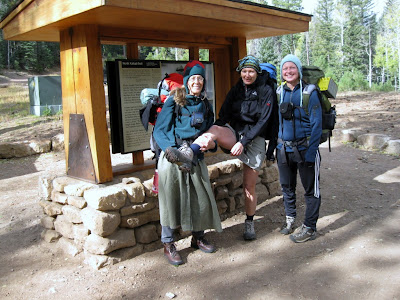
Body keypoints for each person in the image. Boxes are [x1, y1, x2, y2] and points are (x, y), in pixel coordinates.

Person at [165, 55, 277, 241]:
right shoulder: (236, 90)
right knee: (215, 130)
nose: (247, 75)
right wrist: (210, 135)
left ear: (257, 73)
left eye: (251, 72)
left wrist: (245, 142)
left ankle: (249, 221)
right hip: (236, 133)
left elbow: (264, 122)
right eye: (244, 71)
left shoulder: (266, 91)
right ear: (240, 73)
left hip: (254, 138)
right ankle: (188, 154)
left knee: (249, 186)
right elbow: (223, 115)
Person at [153, 60, 222, 265]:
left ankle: (198, 237)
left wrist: (211, 145)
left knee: (199, 198)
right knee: (170, 200)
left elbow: (210, 131)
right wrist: (169, 150)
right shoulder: (175, 100)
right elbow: (160, 129)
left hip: (196, 157)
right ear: (187, 80)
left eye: (200, 78)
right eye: (193, 78)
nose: (197, 82)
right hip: (174, 157)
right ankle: (168, 243)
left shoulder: (205, 103)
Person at [276, 54, 322, 243]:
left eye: (292, 68)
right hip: (284, 150)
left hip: (305, 149)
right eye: (285, 69)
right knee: (287, 187)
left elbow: (317, 125)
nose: (288, 71)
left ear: (298, 70)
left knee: (311, 190)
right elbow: (276, 123)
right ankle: (290, 220)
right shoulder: (279, 92)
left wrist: (311, 153)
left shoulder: (309, 93)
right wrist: (276, 147)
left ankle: (309, 227)